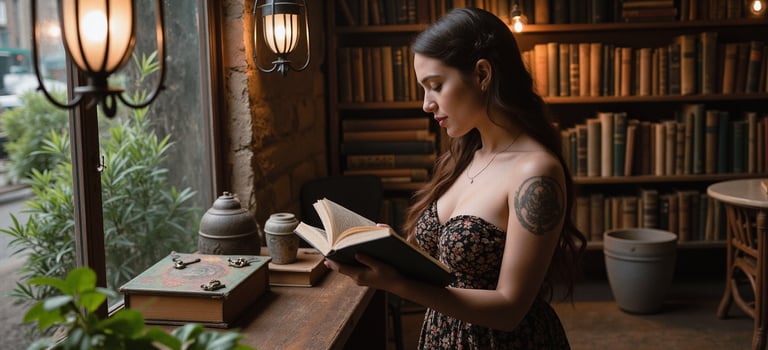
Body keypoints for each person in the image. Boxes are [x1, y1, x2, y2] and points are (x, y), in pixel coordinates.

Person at [324, 7, 587, 349]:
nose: (426, 104)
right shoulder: (461, 157)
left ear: (482, 74)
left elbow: (511, 309)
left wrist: (396, 284)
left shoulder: (536, 173)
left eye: (435, 86)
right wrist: (391, 251)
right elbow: (445, 263)